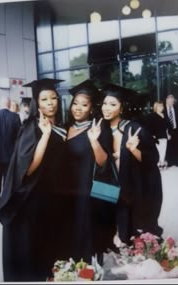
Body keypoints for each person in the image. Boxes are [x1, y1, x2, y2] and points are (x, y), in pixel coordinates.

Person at [0, 78, 67, 282]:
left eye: (54, 98)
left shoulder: (58, 126)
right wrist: (45, 136)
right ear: (37, 103)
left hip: (49, 197)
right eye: (44, 99)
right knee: (32, 247)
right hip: (30, 199)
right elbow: (27, 169)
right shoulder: (32, 127)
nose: (51, 103)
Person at [101, 83, 163, 245]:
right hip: (112, 187)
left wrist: (133, 150)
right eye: (105, 103)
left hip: (133, 187)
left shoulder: (134, 128)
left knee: (135, 233)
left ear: (122, 108)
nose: (106, 108)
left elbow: (152, 159)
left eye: (113, 104)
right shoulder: (101, 129)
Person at [64, 79, 116, 264]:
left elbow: (104, 163)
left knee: (87, 237)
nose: (78, 108)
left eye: (84, 105)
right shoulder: (64, 128)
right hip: (65, 194)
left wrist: (93, 141)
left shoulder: (99, 129)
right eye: (75, 104)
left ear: (92, 107)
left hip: (86, 194)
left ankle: (90, 273)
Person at [146, 101, 171, 170]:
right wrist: (152, 135)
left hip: (164, 135)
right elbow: (149, 127)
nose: (161, 108)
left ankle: (162, 163)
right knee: (158, 151)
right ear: (156, 107)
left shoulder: (165, 115)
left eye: (162, 106)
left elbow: (168, 126)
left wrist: (168, 133)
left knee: (163, 150)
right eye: (159, 106)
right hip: (156, 136)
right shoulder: (151, 116)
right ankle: (159, 164)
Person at [164, 94, 178, 167]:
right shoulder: (163, 110)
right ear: (166, 100)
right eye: (169, 99)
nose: (171, 100)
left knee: (176, 146)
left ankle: (176, 161)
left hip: (176, 129)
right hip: (167, 130)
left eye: (172, 99)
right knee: (168, 146)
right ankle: (169, 161)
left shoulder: (177, 109)